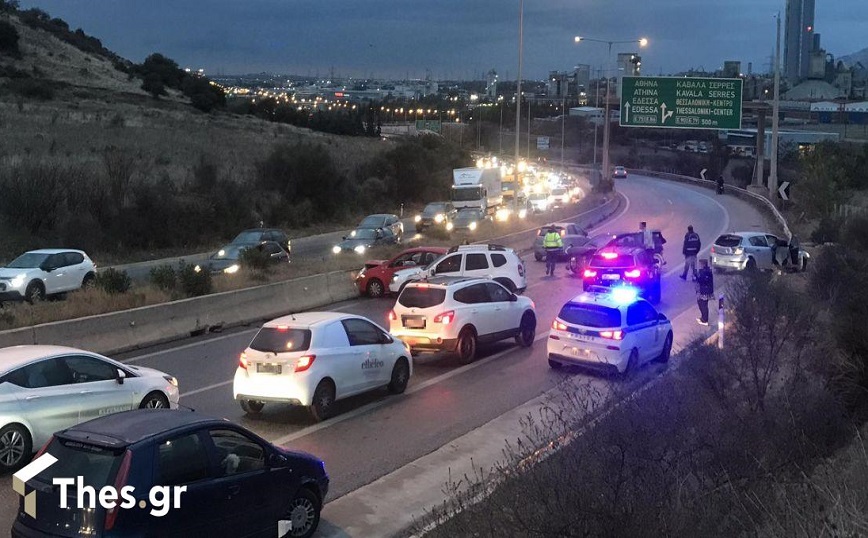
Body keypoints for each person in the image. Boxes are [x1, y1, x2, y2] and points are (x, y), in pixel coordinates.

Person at [695, 258, 714, 326]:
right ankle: (703, 318)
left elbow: (703, 281)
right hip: (704, 291)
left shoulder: (706, 272)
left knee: (703, 305)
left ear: (703, 264)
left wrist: (697, 277)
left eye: (700, 264)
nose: (699, 265)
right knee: (701, 304)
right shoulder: (705, 271)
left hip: (705, 291)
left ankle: (705, 320)